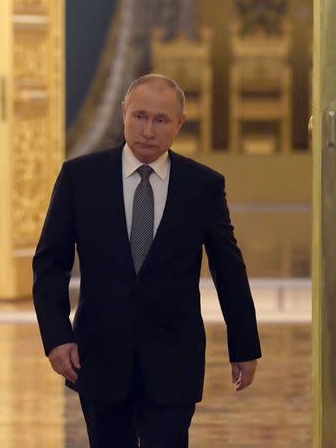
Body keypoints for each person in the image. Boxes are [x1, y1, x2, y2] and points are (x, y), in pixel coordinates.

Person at [32, 73, 261, 447]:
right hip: (100, 355)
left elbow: (228, 268)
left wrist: (244, 344)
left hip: (173, 358)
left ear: (180, 124)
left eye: (160, 120)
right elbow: (50, 264)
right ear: (123, 113)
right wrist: (57, 337)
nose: (147, 130)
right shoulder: (80, 178)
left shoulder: (202, 186)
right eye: (139, 116)